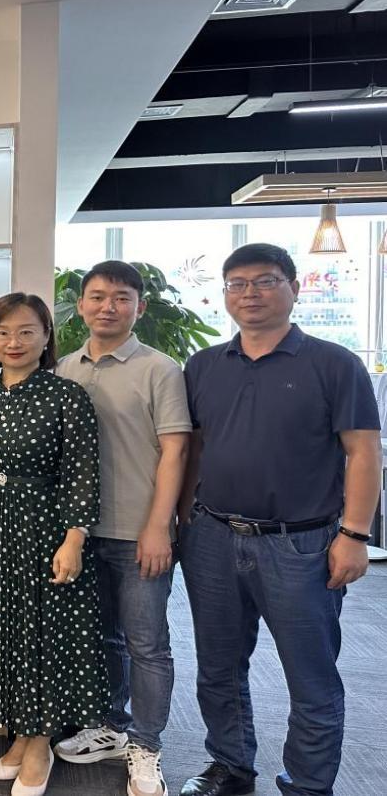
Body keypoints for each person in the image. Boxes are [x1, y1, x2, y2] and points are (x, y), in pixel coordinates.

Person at [177, 243, 380, 796]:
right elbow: (194, 449)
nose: (250, 294)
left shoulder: (334, 363)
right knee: (218, 666)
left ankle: (309, 783)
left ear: (294, 287)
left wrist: (354, 535)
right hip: (213, 536)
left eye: (265, 281)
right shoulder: (204, 365)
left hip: (302, 544)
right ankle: (230, 764)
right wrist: (183, 521)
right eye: (237, 284)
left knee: (310, 673)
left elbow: (363, 452)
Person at [0, 292, 106, 796]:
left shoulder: (67, 396)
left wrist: (74, 539)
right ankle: (19, 737)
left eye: (25, 331)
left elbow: (82, 474)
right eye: (2, 333)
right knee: (5, 632)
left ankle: (39, 745)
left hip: (45, 529)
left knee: (43, 634)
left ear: (45, 337)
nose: (13, 342)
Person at [54, 260, 190, 796]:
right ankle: (111, 726)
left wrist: (159, 527)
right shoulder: (65, 368)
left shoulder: (160, 369)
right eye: (97, 296)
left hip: (138, 532)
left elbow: (175, 452)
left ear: (140, 306)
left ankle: (147, 745)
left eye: (120, 298)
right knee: (102, 638)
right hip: (81, 533)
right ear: (81, 304)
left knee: (147, 644)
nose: (107, 307)